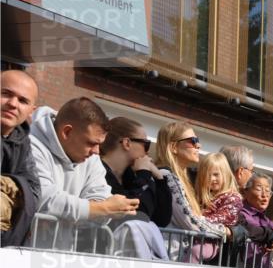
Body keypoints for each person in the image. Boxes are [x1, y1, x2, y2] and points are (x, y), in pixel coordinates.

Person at [30, 98, 139, 246]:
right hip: (19, 255)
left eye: (99, 144)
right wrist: (105, 208)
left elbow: (100, 199)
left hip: (60, 256)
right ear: (66, 132)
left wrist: (93, 210)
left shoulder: (91, 157)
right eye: (91, 143)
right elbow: (43, 199)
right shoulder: (31, 145)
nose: (96, 151)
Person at [154, 121, 227, 241]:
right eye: (192, 141)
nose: (198, 145)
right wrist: (226, 231)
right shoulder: (166, 177)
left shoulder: (179, 178)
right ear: (174, 147)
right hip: (167, 255)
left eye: (197, 140)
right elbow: (190, 221)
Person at [100, 117, 171, 227]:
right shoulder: (99, 172)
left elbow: (161, 219)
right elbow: (140, 215)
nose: (147, 151)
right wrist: (143, 174)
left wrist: (159, 179)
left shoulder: (130, 177)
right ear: (127, 143)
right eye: (146, 144)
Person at [1, 69, 41, 246]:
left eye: (23, 100)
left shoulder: (22, 142)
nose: (13, 104)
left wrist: (6, 187)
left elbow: (34, 193)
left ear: (31, 111)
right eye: (5, 94)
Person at [239, 173, 273, 268]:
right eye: (259, 189)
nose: (265, 195)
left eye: (268, 191)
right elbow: (251, 230)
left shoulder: (265, 219)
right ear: (245, 191)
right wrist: (271, 236)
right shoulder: (241, 214)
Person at [195, 152, 243, 227]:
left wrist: (197, 218)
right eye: (207, 176)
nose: (212, 179)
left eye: (216, 174)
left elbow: (223, 219)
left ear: (226, 174)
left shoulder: (233, 198)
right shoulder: (204, 199)